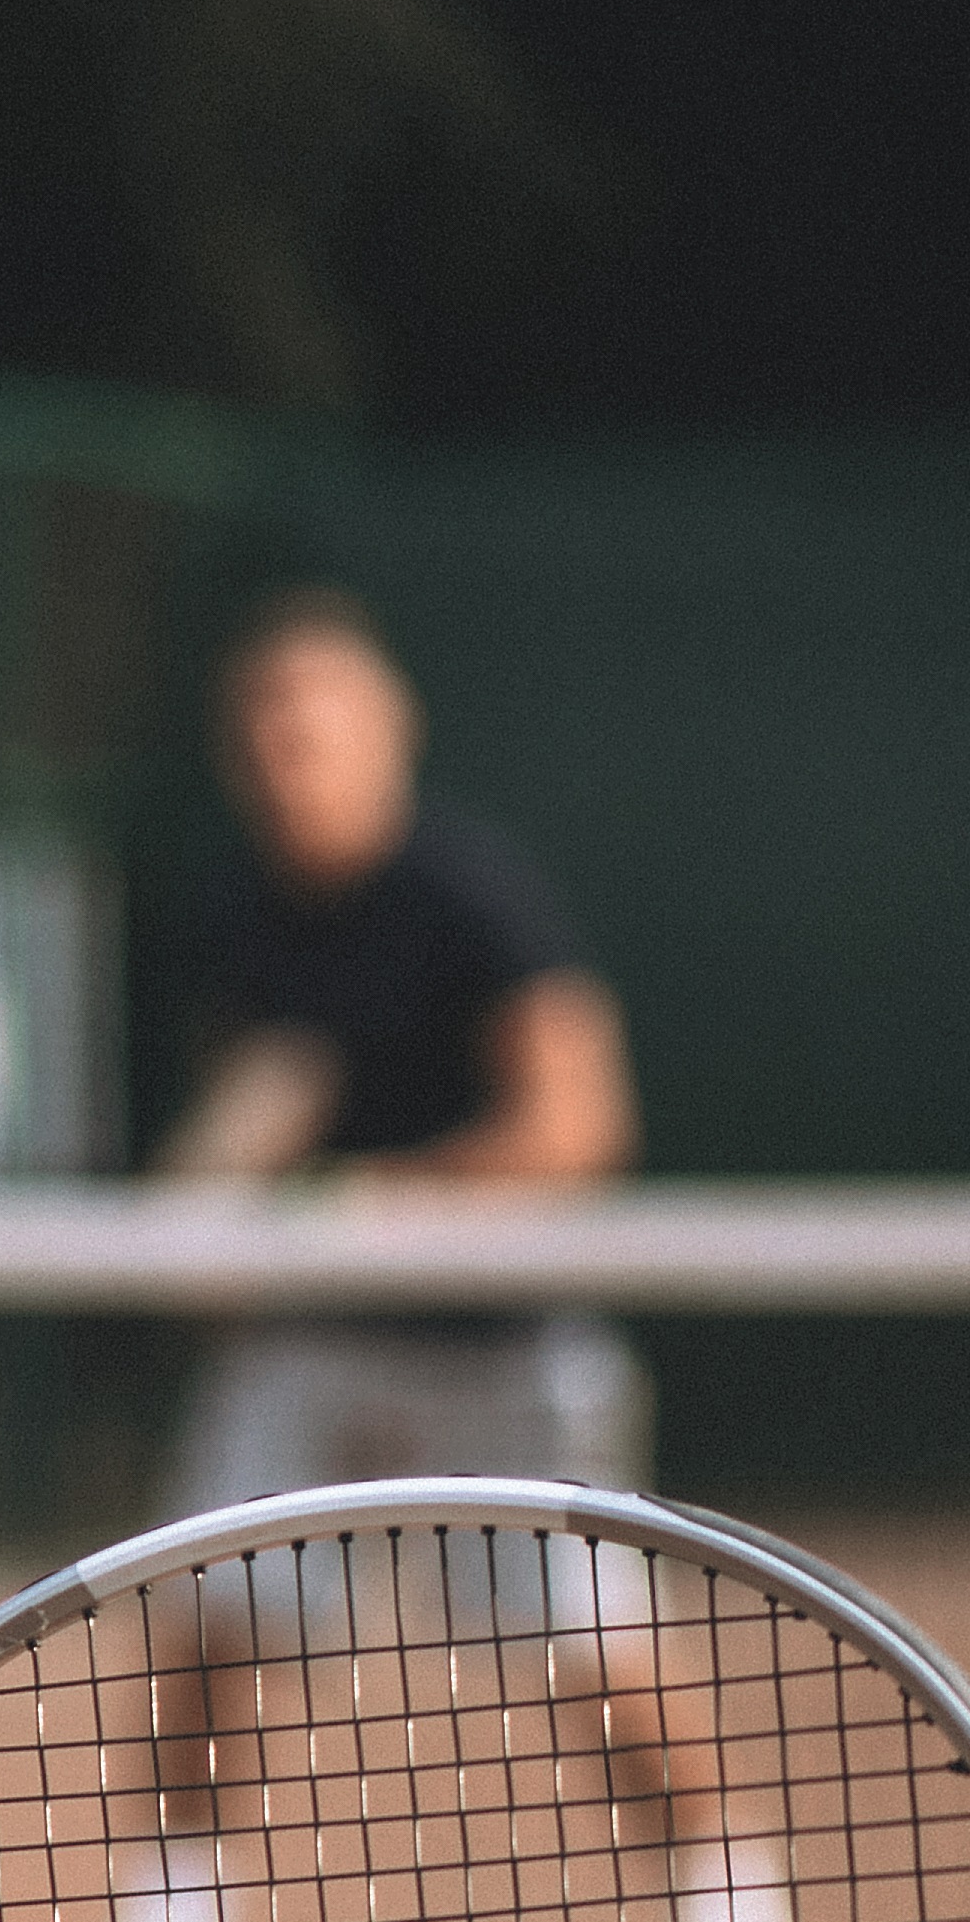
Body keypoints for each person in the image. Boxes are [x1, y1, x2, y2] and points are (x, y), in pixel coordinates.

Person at [152, 586, 645, 1510]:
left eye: (312, 719)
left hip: (499, 1344)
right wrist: (214, 1201)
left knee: (588, 1656)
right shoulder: (229, 919)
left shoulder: (476, 900)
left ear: (389, 727)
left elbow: (581, 1129)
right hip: (312, 1341)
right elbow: (244, 1123)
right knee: (211, 1632)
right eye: (262, 720)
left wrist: (385, 1201)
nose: (284, 745)